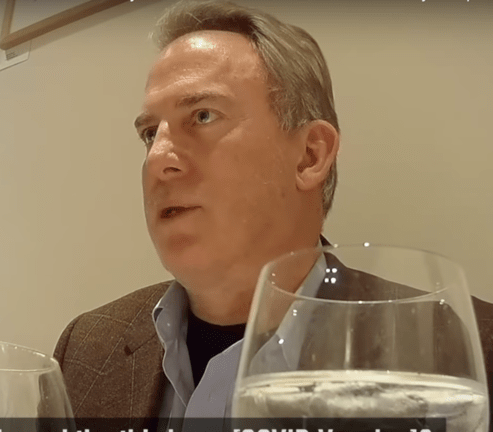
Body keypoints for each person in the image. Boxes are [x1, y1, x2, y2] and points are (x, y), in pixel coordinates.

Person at [53, 0, 493, 428]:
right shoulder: (86, 351)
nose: (158, 160)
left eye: (202, 116)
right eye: (150, 133)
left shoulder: (464, 349)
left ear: (309, 156)